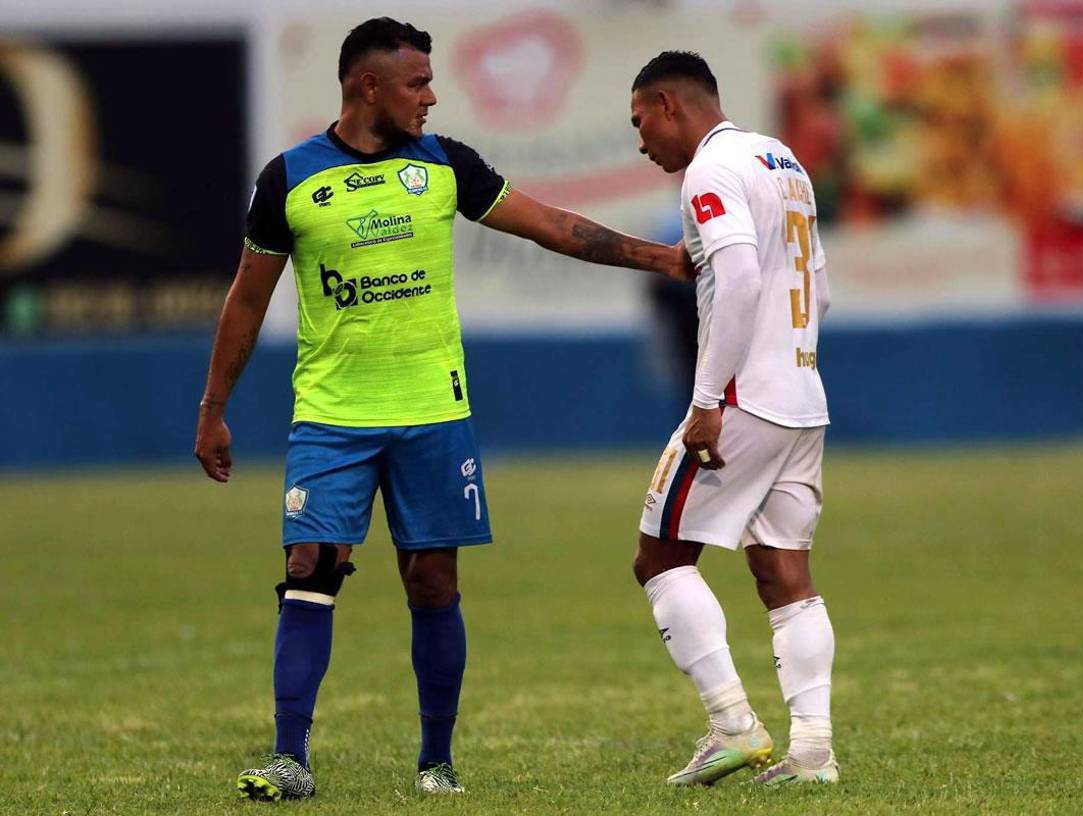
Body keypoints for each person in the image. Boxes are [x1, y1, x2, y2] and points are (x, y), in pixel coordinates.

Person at [194, 18, 689, 801]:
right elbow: (246, 300)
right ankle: (291, 758)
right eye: (417, 82)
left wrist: (661, 258)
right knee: (308, 568)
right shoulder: (289, 178)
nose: (431, 95)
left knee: (430, 582)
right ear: (368, 86)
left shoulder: (444, 163)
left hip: (433, 413)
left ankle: (436, 762)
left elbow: (554, 226)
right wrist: (213, 407)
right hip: (331, 416)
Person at [629, 51, 838, 786]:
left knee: (657, 559)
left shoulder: (709, 172)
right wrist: (798, 360)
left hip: (745, 398)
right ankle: (812, 753)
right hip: (802, 396)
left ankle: (733, 725)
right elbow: (816, 277)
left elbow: (742, 275)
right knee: (784, 572)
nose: (641, 140)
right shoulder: (782, 160)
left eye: (640, 122)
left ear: (668, 103)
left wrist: (709, 399)